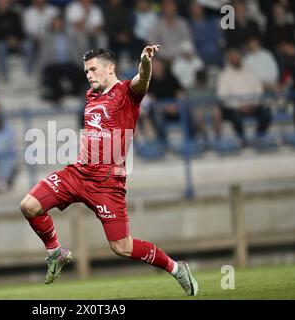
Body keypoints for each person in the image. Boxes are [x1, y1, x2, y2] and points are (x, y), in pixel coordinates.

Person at [20, 47, 198, 296]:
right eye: (86, 71)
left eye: (93, 69)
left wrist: (145, 62)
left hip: (107, 184)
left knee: (122, 247)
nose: (89, 75)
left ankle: (176, 268)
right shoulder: (91, 95)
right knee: (29, 206)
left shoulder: (127, 93)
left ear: (110, 68)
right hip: (78, 174)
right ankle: (55, 253)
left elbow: (142, 79)